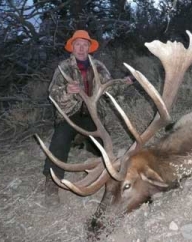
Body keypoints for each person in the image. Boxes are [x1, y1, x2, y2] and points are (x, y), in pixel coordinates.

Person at [43, 30, 130, 206]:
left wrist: (125, 83)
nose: (81, 48)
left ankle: (110, 177)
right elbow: (52, 93)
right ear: (72, 47)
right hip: (69, 115)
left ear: (89, 47)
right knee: (59, 141)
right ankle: (51, 183)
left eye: (85, 45)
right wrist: (67, 91)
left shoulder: (97, 66)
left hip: (92, 116)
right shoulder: (63, 67)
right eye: (78, 45)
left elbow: (109, 88)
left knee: (106, 148)